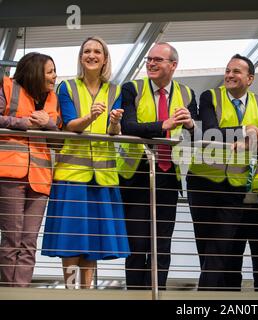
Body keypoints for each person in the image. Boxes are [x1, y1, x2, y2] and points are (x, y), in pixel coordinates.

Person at [187, 54, 258, 290]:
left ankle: (206, 297)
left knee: (221, 246)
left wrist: (256, 137)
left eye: (236, 72)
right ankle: (213, 295)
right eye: (228, 70)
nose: (229, 75)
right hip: (202, 182)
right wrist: (246, 129)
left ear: (250, 78)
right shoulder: (210, 96)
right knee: (206, 246)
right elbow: (210, 132)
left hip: (235, 185)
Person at [41, 36, 129, 289]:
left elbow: (114, 131)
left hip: (103, 176)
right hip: (72, 174)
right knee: (70, 240)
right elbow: (69, 124)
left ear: (104, 59)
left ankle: (86, 291)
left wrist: (114, 122)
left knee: (91, 242)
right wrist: (90, 117)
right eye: (87, 51)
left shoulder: (115, 90)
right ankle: (70, 290)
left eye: (97, 52)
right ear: (81, 58)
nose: (91, 55)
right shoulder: (67, 88)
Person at [118, 42, 197, 290]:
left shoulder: (187, 93)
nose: (150, 63)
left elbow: (200, 136)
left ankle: (157, 294)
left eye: (157, 60)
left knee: (162, 244)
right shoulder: (132, 88)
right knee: (138, 244)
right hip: (136, 175)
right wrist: (165, 123)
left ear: (173, 65)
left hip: (167, 177)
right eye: (148, 59)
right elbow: (128, 126)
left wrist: (191, 125)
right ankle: (135, 296)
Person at [0, 52, 60, 287]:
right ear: (36, 72)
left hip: (40, 178)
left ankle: (21, 291)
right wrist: (21, 123)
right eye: (50, 71)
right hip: (9, 173)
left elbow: (58, 141)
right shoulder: (6, 86)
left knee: (29, 241)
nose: (54, 76)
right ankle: (7, 291)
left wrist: (50, 125)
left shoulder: (52, 99)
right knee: (12, 239)